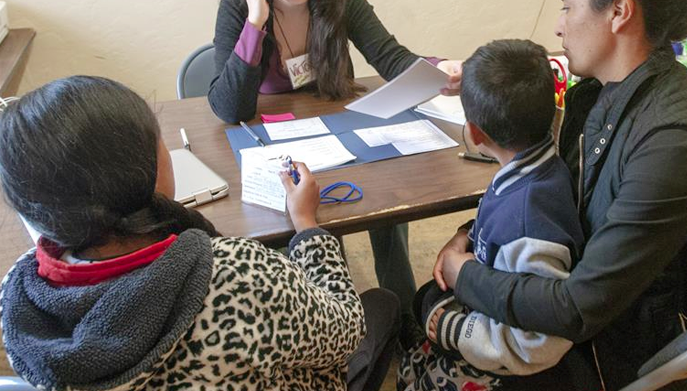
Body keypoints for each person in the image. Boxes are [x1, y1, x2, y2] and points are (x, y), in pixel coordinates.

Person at [435, 0, 687, 391]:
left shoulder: (676, 146)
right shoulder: (601, 93)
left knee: (434, 320)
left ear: (619, 12)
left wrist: (465, 272)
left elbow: (576, 309)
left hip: (641, 348)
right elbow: (544, 179)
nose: (559, 25)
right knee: (431, 307)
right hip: (611, 312)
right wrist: (470, 235)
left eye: (568, 6)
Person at [0, 76, 398, 391]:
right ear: (146, 172)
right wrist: (308, 227)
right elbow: (344, 332)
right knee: (381, 304)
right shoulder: (237, 275)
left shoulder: (19, 293)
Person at [208, 0, 461, 345]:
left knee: (388, 198)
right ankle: (333, 322)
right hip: (274, 136)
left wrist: (436, 71)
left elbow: (390, 55)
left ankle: (400, 316)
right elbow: (229, 107)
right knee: (307, 219)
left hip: (339, 122)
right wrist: (256, 19)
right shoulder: (237, 5)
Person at [397, 39, 584, 391]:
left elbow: (539, 341)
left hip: (501, 361)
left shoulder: (532, 224)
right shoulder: (536, 167)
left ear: (475, 133)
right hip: (489, 300)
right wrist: (465, 234)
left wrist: (454, 331)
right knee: (424, 301)